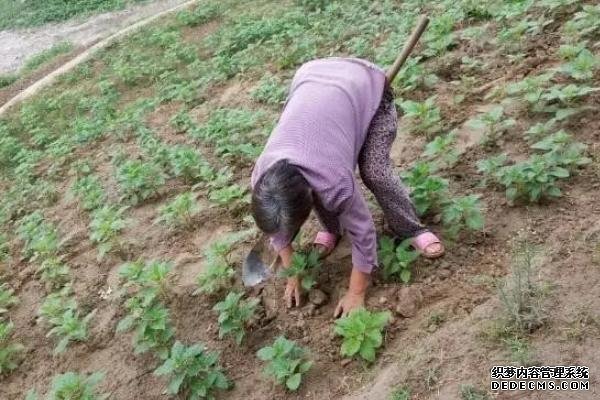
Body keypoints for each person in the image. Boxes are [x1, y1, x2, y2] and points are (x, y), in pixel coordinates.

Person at [250, 57, 444, 317]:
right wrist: (292, 273)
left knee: (375, 172)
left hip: (366, 87)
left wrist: (356, 292)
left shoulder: (332, 181)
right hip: (311, 79)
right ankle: (333, 228)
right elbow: (277, 232)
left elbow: (364, 234)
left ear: (309, 195)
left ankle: (410, 227)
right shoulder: (262, 177)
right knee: (325, 194)